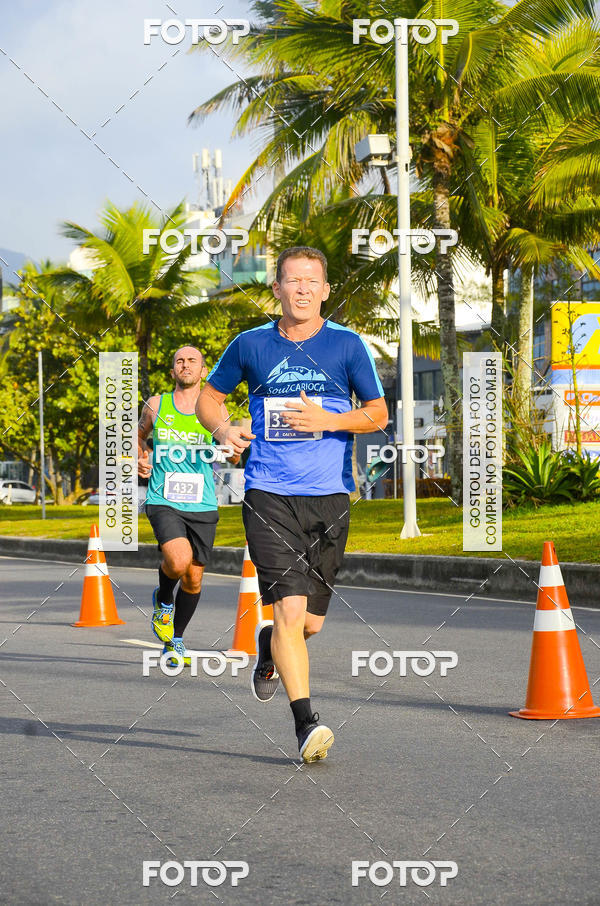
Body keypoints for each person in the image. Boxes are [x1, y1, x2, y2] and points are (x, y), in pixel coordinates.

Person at [196, 247, 387, 762]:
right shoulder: (251, 345)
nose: (301, 288)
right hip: (268, 495)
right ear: (276, 289)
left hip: (328, 499)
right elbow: (209, 398)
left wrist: (329, 421)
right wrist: (224, 427)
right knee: (289, 609)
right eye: (291, 280)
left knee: (308, 624)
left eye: (312, 281)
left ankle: (268, 645)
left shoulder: (346, 346)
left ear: (325, 290)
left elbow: (377, 413)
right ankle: (307, 723)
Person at [138, 346, 239, 663]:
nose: (185, 365)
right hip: (163, 498)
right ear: (172, 372)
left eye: (192, 361)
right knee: (179, 561)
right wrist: (140, 455)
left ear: (203, 371)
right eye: (179, 360)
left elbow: (233, 455)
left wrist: (232, 447)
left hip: (203, 502)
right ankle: (164, 599)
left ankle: (174, 640)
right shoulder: (157, 405)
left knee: (194, 577)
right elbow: (138, 436)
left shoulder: (217, 411)